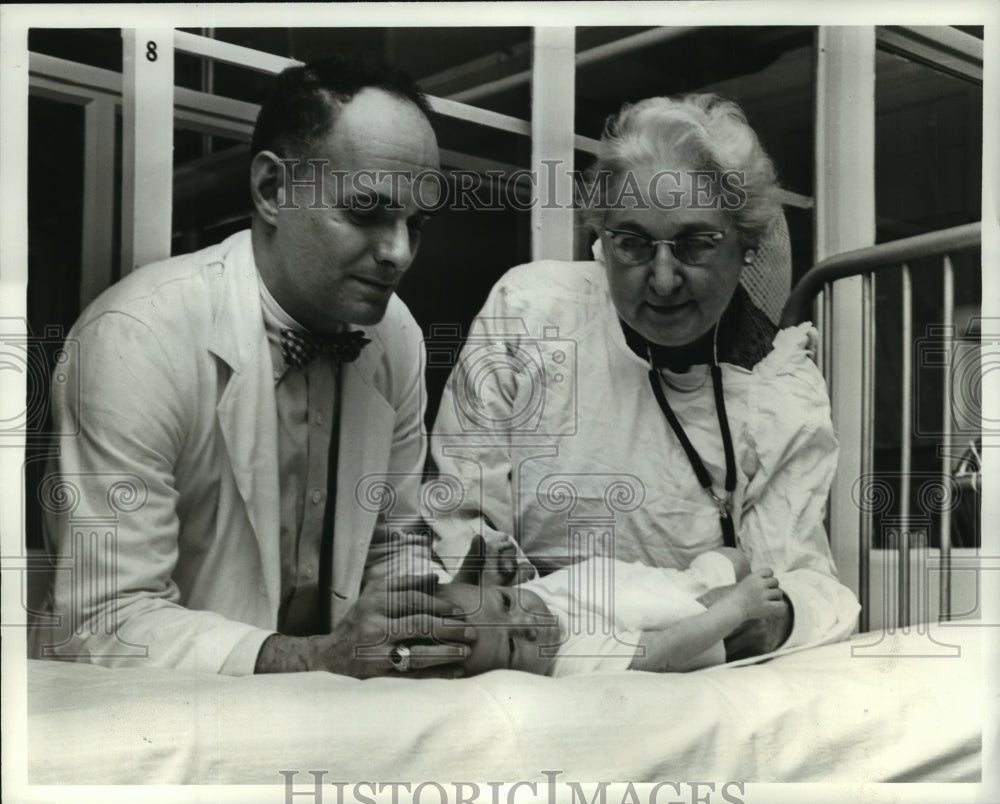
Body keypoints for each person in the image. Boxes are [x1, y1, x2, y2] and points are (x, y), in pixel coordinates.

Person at [37, 56, 475, 678]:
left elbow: (391, 542)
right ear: (272, 190)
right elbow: (108, 623)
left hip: (327, 716)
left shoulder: (395, 334)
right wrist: (319, 658)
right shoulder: (137, 337)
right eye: (365, 212)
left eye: (416, 224)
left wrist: (442, 611)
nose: (398, 253)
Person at [429, 93, 860, 659]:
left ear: (747, 244)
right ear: (601, 236)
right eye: (631, 243)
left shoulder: (781, 390)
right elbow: (460, 514)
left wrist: (773, 623)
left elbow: (807, 583)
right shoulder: (531, 314)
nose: (661, 280)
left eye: (695, 243)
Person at [440, 535, 788, 677]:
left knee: (731, 557)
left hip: (672, 583)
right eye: (515, 646)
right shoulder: (575, 658)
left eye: (506, 602)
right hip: (696, 620)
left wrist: (484, 571)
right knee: (765, 618)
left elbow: (478, 605)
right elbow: (659, 651)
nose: (526, 622)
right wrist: (738, 608)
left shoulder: (506, 610)